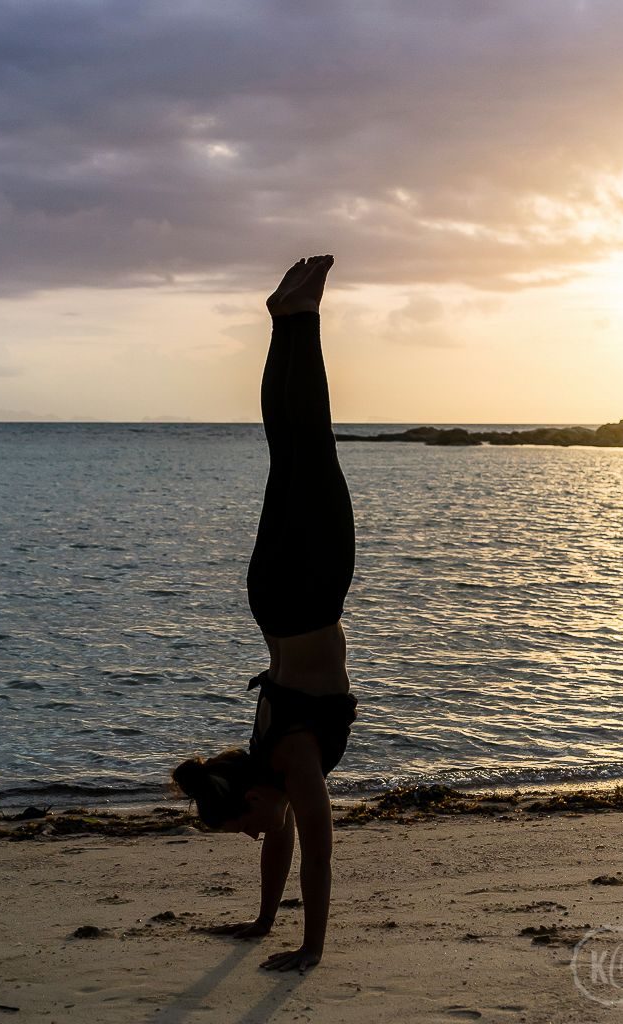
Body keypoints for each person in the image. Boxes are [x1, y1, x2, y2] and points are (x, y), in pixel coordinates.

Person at [172, 255, 357, 973]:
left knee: (308, 448)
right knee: (288, 453)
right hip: (271, 597)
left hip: (308, 591)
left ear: (251, 793)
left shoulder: (293, 763)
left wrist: (310, 949)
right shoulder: (267, 760)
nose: (252, 836)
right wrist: (259, 922)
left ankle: (300, 317)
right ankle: (286, 320)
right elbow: (282, 839)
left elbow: (318, 854)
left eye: (240, 824)